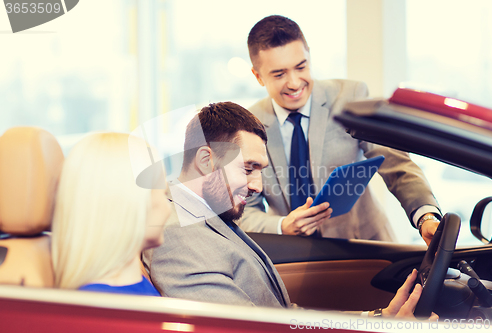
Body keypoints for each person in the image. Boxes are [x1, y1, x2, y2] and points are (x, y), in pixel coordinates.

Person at [143, 101, 434, 319]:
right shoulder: (178, 238)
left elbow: (281, 316)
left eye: (261, 171)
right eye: (248, 169)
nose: (257, 185)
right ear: (206, 160)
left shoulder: (208, 211)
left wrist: (376, 321)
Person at [238, 15, 441, 245]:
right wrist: (282, 226)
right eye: (279, 74)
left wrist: (426, 215)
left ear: (309, 56)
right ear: (258, 76)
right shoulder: (248, 125)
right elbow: (245, 210)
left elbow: (395, 163)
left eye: (301, 67)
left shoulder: (350, 97)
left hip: (364, 244)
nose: (294, 83)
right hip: (294, 255)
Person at [51, 132, 170, 296]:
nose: (168, 209)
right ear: (130, 204)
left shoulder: (130, 286)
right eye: (163, 194)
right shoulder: (103, 310)